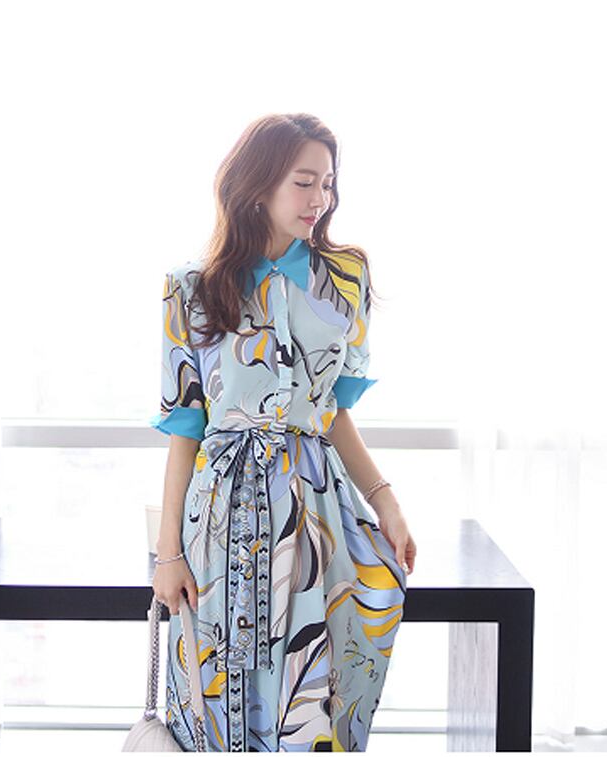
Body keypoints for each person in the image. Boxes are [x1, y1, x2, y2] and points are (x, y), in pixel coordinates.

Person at [148, 112, 417, 752]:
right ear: (258, 184)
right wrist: (167, 553)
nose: (319, 198)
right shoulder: (191, 287)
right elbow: (186, 427)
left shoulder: (344, 279)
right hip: (220, 516)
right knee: (217, 686)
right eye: (304, 182)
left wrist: (386, 501)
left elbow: (334, 413)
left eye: (327, 183)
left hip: (313, 506)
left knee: (312, 686)